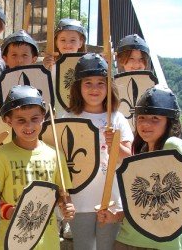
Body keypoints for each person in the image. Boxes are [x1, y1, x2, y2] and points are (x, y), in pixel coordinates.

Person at [97, 85, 182, 249]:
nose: (146, 124)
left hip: (163, 244)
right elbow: (142, 204)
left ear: (169, 122)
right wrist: (116, 216)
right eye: (141, 118)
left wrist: (171, 190)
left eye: (155, 118)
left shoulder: (172, 144)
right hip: (129, 239)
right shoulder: (142, 152)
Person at [59, 53, 133, 250]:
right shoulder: (67, 117)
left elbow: (129, 160)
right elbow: (60, 159)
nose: (95, 88)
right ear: (78, 86)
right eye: (88, 83)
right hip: (80, 199)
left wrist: (115, 146)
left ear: (109, 86)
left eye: (101, 83)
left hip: (111, 199)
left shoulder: (117, 118)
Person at [0, 85, 76, 249]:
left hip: (47, 242)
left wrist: (67, 206)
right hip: (11, 242)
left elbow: (62, 194)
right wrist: (9, 211)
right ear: (8, 121)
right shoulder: (1, 155)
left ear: (43, 116)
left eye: (34, 119)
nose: (28, 126)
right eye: (21, 120)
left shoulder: (55, 154)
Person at [0, 29, 39, 110]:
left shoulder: (40, 82)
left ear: (34, 59)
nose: (19, 60)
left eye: (25, 55)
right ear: (5, 59)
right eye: (14, 55)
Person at [42, 18, 87, 116]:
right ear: (56, 42)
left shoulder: (87, 67)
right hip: (56, 115)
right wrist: (45, 69)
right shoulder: (51, 66)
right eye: (63, 40)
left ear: (80, 42)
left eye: (73, 40)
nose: (67, 44)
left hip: (81, 114)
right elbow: (43, 89)